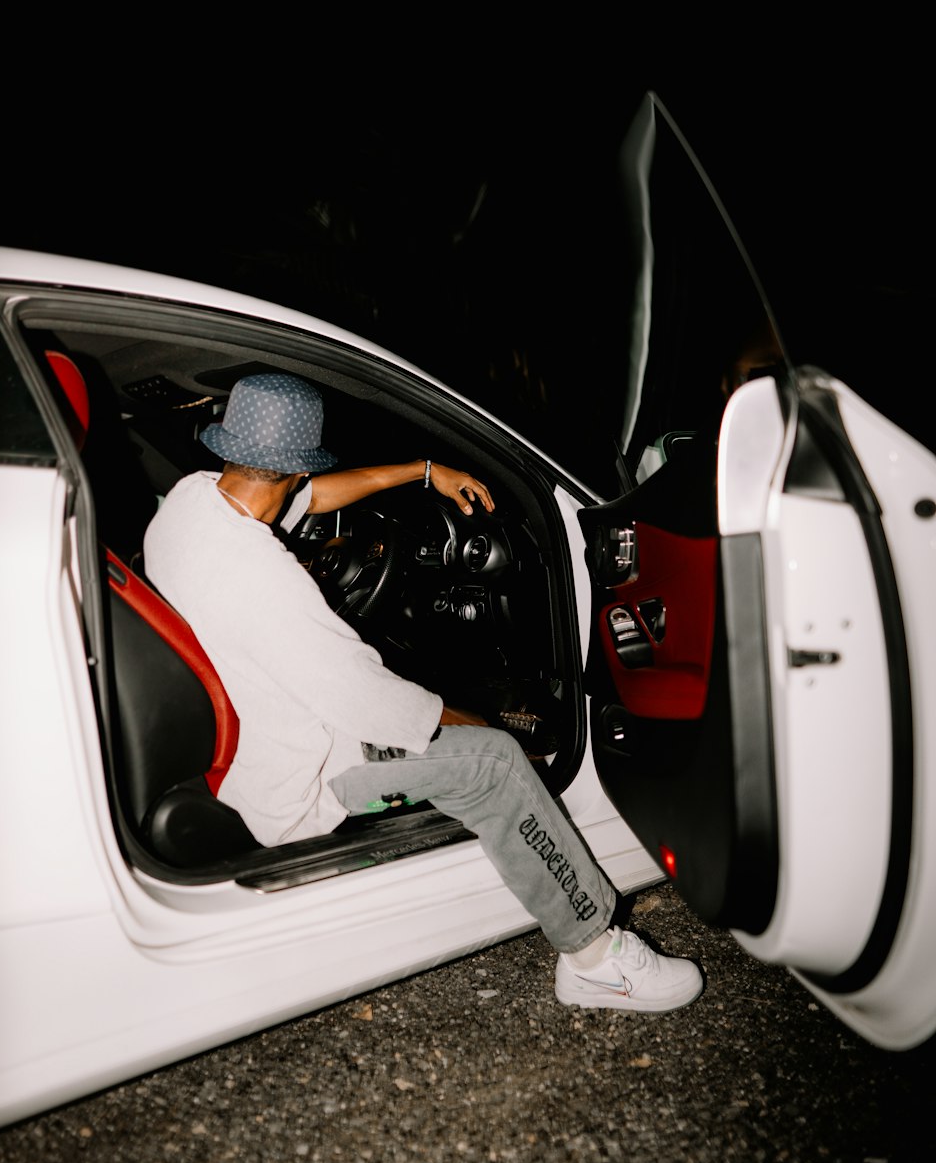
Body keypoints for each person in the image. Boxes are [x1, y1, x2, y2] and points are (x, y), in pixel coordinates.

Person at [143, 372, 704, 1013]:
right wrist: (475, 723)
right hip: (293, 777)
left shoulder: (192, 502)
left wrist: (422, 471)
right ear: (294, 468)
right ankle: (596, 958)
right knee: (494, 763)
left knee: (462, 723)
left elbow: (314, 499)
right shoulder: (264, 579)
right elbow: (366, 699)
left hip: (247, 728)